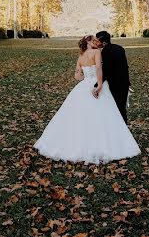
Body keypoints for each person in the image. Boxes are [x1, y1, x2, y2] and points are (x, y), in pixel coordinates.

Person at [33, 35, 140, 164]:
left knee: (81, 115)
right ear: (88, 43)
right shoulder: (96, 52)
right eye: (93, 40)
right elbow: (99, 68)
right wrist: (99, 85)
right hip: (97, 84)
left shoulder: (81, 57)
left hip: (84, 85)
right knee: (104, 113)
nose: (96, 42)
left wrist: (83, 74)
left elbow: (77, 76)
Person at [94, 30, 131, 124]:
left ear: (104, 43)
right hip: (125, 82)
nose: (96, 43)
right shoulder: (120, 48)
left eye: (97, 41)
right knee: (122, 107)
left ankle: (121, 127)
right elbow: (125, 66)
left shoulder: (105, 52)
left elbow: (106, 70)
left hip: (115, 84)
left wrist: (98, 84)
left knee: (117, 107)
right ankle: (124, 126)